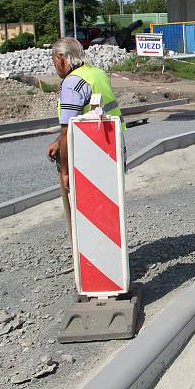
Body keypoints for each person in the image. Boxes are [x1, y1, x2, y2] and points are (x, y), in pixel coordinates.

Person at [46, 37, 125, 246]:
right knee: (108, 208)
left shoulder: (72, 83)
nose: (55, 66)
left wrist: (65, 171)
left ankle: (93, 254)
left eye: (54, 60)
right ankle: (109, 251)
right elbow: (88, 115)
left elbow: (67, 129)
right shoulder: (95, 73)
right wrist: (58, 141)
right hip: (111, 147)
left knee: (90, 211)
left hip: (89, 155)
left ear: (62, 58)